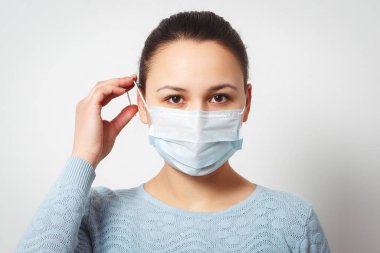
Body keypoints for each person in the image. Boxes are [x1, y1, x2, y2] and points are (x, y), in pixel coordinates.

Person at [15, 10, 331, 252]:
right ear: (142, 104)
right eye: (175, 98)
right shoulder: (96, 216)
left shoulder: (292, 221)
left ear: (246, 104)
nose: (197, 117)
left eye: (219, 97)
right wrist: (83, 156)